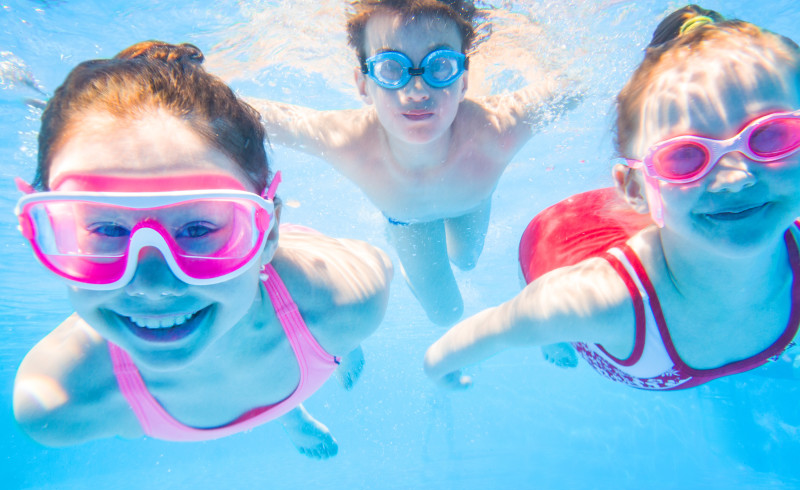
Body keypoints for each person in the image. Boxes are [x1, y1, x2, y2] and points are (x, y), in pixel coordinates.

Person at [12, 41, 393, 459]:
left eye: (197, 227)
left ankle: (314, 375)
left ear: (267, 235)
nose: (152, 286)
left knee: (336, 330)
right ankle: (289, 412)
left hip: (301, 320)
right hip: (295, 337)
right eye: (105, 228)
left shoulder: (346, 303)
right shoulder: (58, 404)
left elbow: (375, 264)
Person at [424, 5, 800, 390]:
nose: (735, 179)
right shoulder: (593, 302)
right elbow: (468, 341)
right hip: (558, 240)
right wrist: (442, 372)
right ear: (634, 188)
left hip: (661, 214)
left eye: (772, 136)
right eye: (684, 155)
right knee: (553, 329)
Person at [246, 0, 577, 326]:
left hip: (473, 204)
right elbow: (258, 116)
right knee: (446, 314)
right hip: (408, 222)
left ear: (463, 80)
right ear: (363, 85)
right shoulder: (347, 140)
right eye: (391, 68)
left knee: (467, 259)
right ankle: (410, 267)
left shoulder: (497, 130)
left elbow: (576, 82)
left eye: (440, 66)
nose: (417, 90)